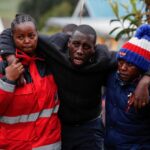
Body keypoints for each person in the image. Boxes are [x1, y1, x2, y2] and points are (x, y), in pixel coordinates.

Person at [0, 21, 150, 150]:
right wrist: (12, 59)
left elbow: (137, 60)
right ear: (68, 43)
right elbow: (8, 32)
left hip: (90, 129)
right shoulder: (54, 48)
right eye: (76, 44)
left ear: (94, 49)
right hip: (59, 128)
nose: (79, 51)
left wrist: (145, 80)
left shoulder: (106, 60)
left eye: (86, 47)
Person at [0, 14, 61, 150]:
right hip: (12, 146)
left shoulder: (48, 60)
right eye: (20, 37)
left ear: (37, 35)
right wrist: (8, 81)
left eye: (31, 36)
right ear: (12, 38)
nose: (27, 41)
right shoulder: (3, 66)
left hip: (49, 144)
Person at [104, 24, 150, 150]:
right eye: (121, 62)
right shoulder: (111, 76)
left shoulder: (146, 89)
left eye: (130, 65)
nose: (123, 68)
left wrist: (146, 80)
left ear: (142, 68)